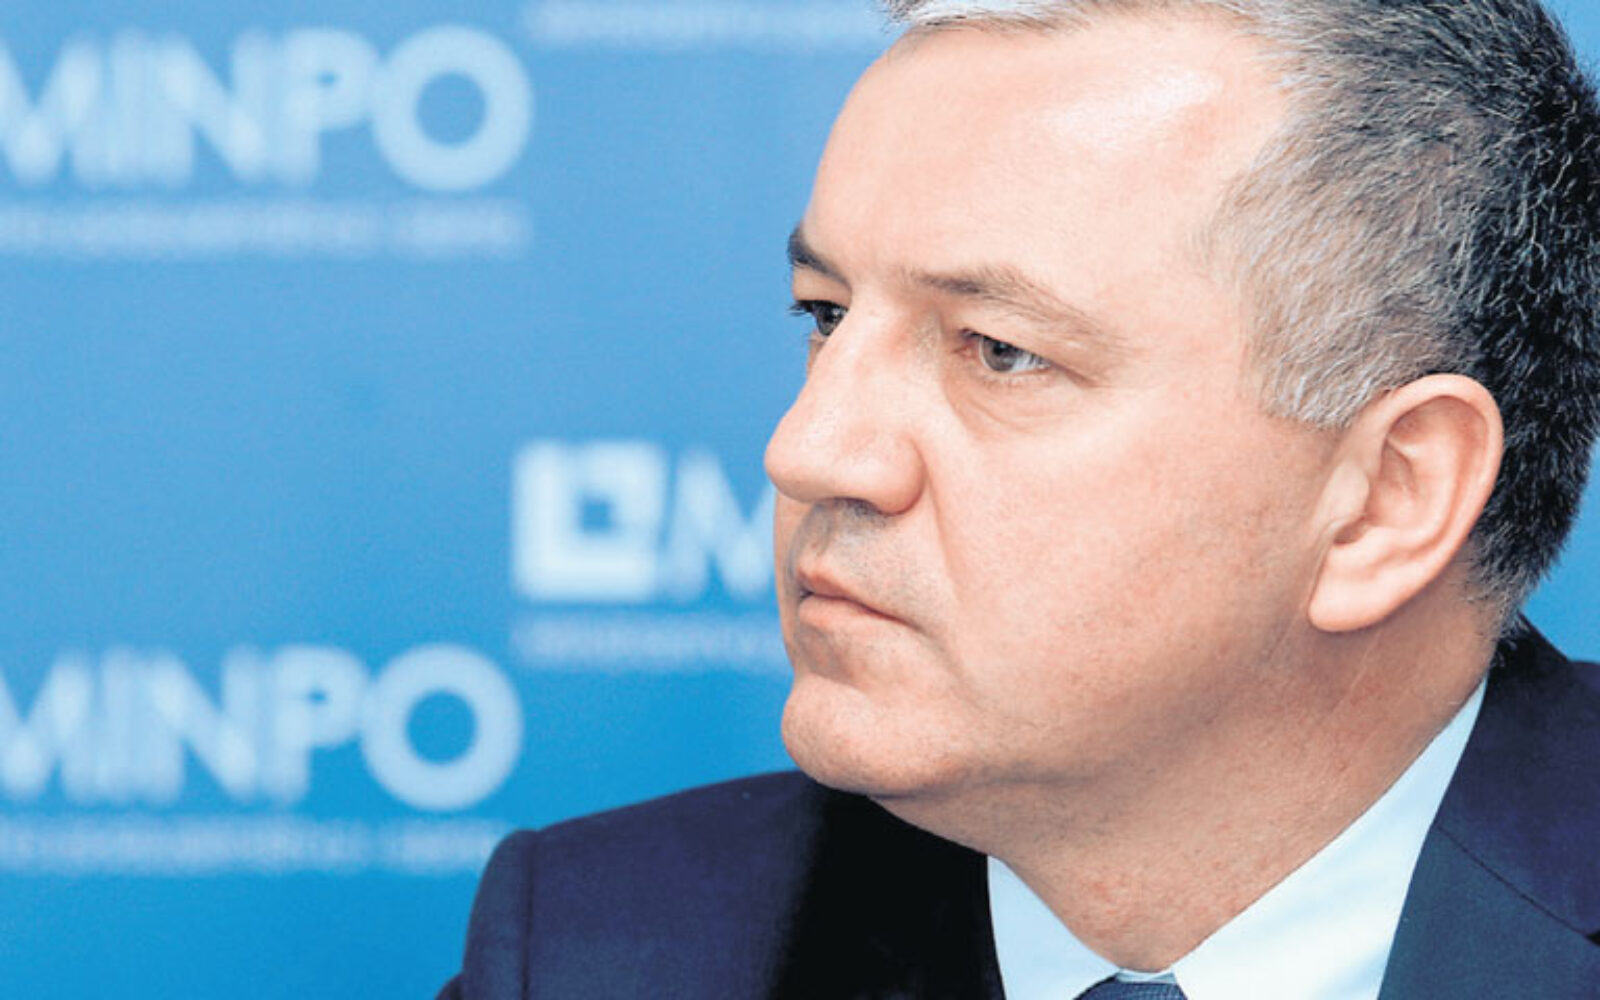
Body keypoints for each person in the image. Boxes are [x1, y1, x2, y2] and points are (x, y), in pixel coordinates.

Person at [439, 0, 1600, 996]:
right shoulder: (605, 946)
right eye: (825, 314)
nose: (809, 450)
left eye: (998, 351)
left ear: (1385, 501)